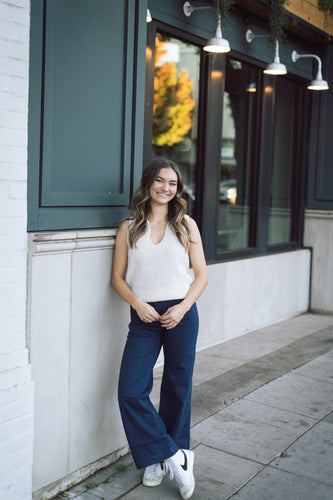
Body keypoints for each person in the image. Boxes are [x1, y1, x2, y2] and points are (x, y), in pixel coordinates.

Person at [112, 158, 208, 499]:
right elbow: (118, 279)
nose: (167, 188)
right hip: (144, 317)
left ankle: (168, 456)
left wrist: (182, 308)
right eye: (161, 181)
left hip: (182, 313)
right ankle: (168, 454)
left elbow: (201, 275)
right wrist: (138, 304)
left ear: (177, 189)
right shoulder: (129, 227)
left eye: (173, 183)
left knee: (177, 386)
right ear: (149, 183)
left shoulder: (186, 225)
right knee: (130, 390)